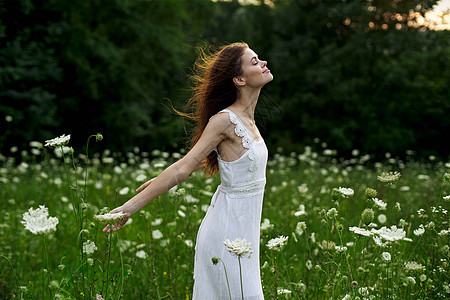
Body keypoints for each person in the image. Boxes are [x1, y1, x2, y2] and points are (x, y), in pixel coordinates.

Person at [103, 42, 273, 299]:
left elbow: (227, 162)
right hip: (226, 236)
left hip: (246, 239)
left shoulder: (248, 120)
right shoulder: (224, 120)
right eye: (254, 61)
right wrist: (128, 208)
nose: (263, 63)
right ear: (239, 79)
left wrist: (163, 178)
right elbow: (183, 168)